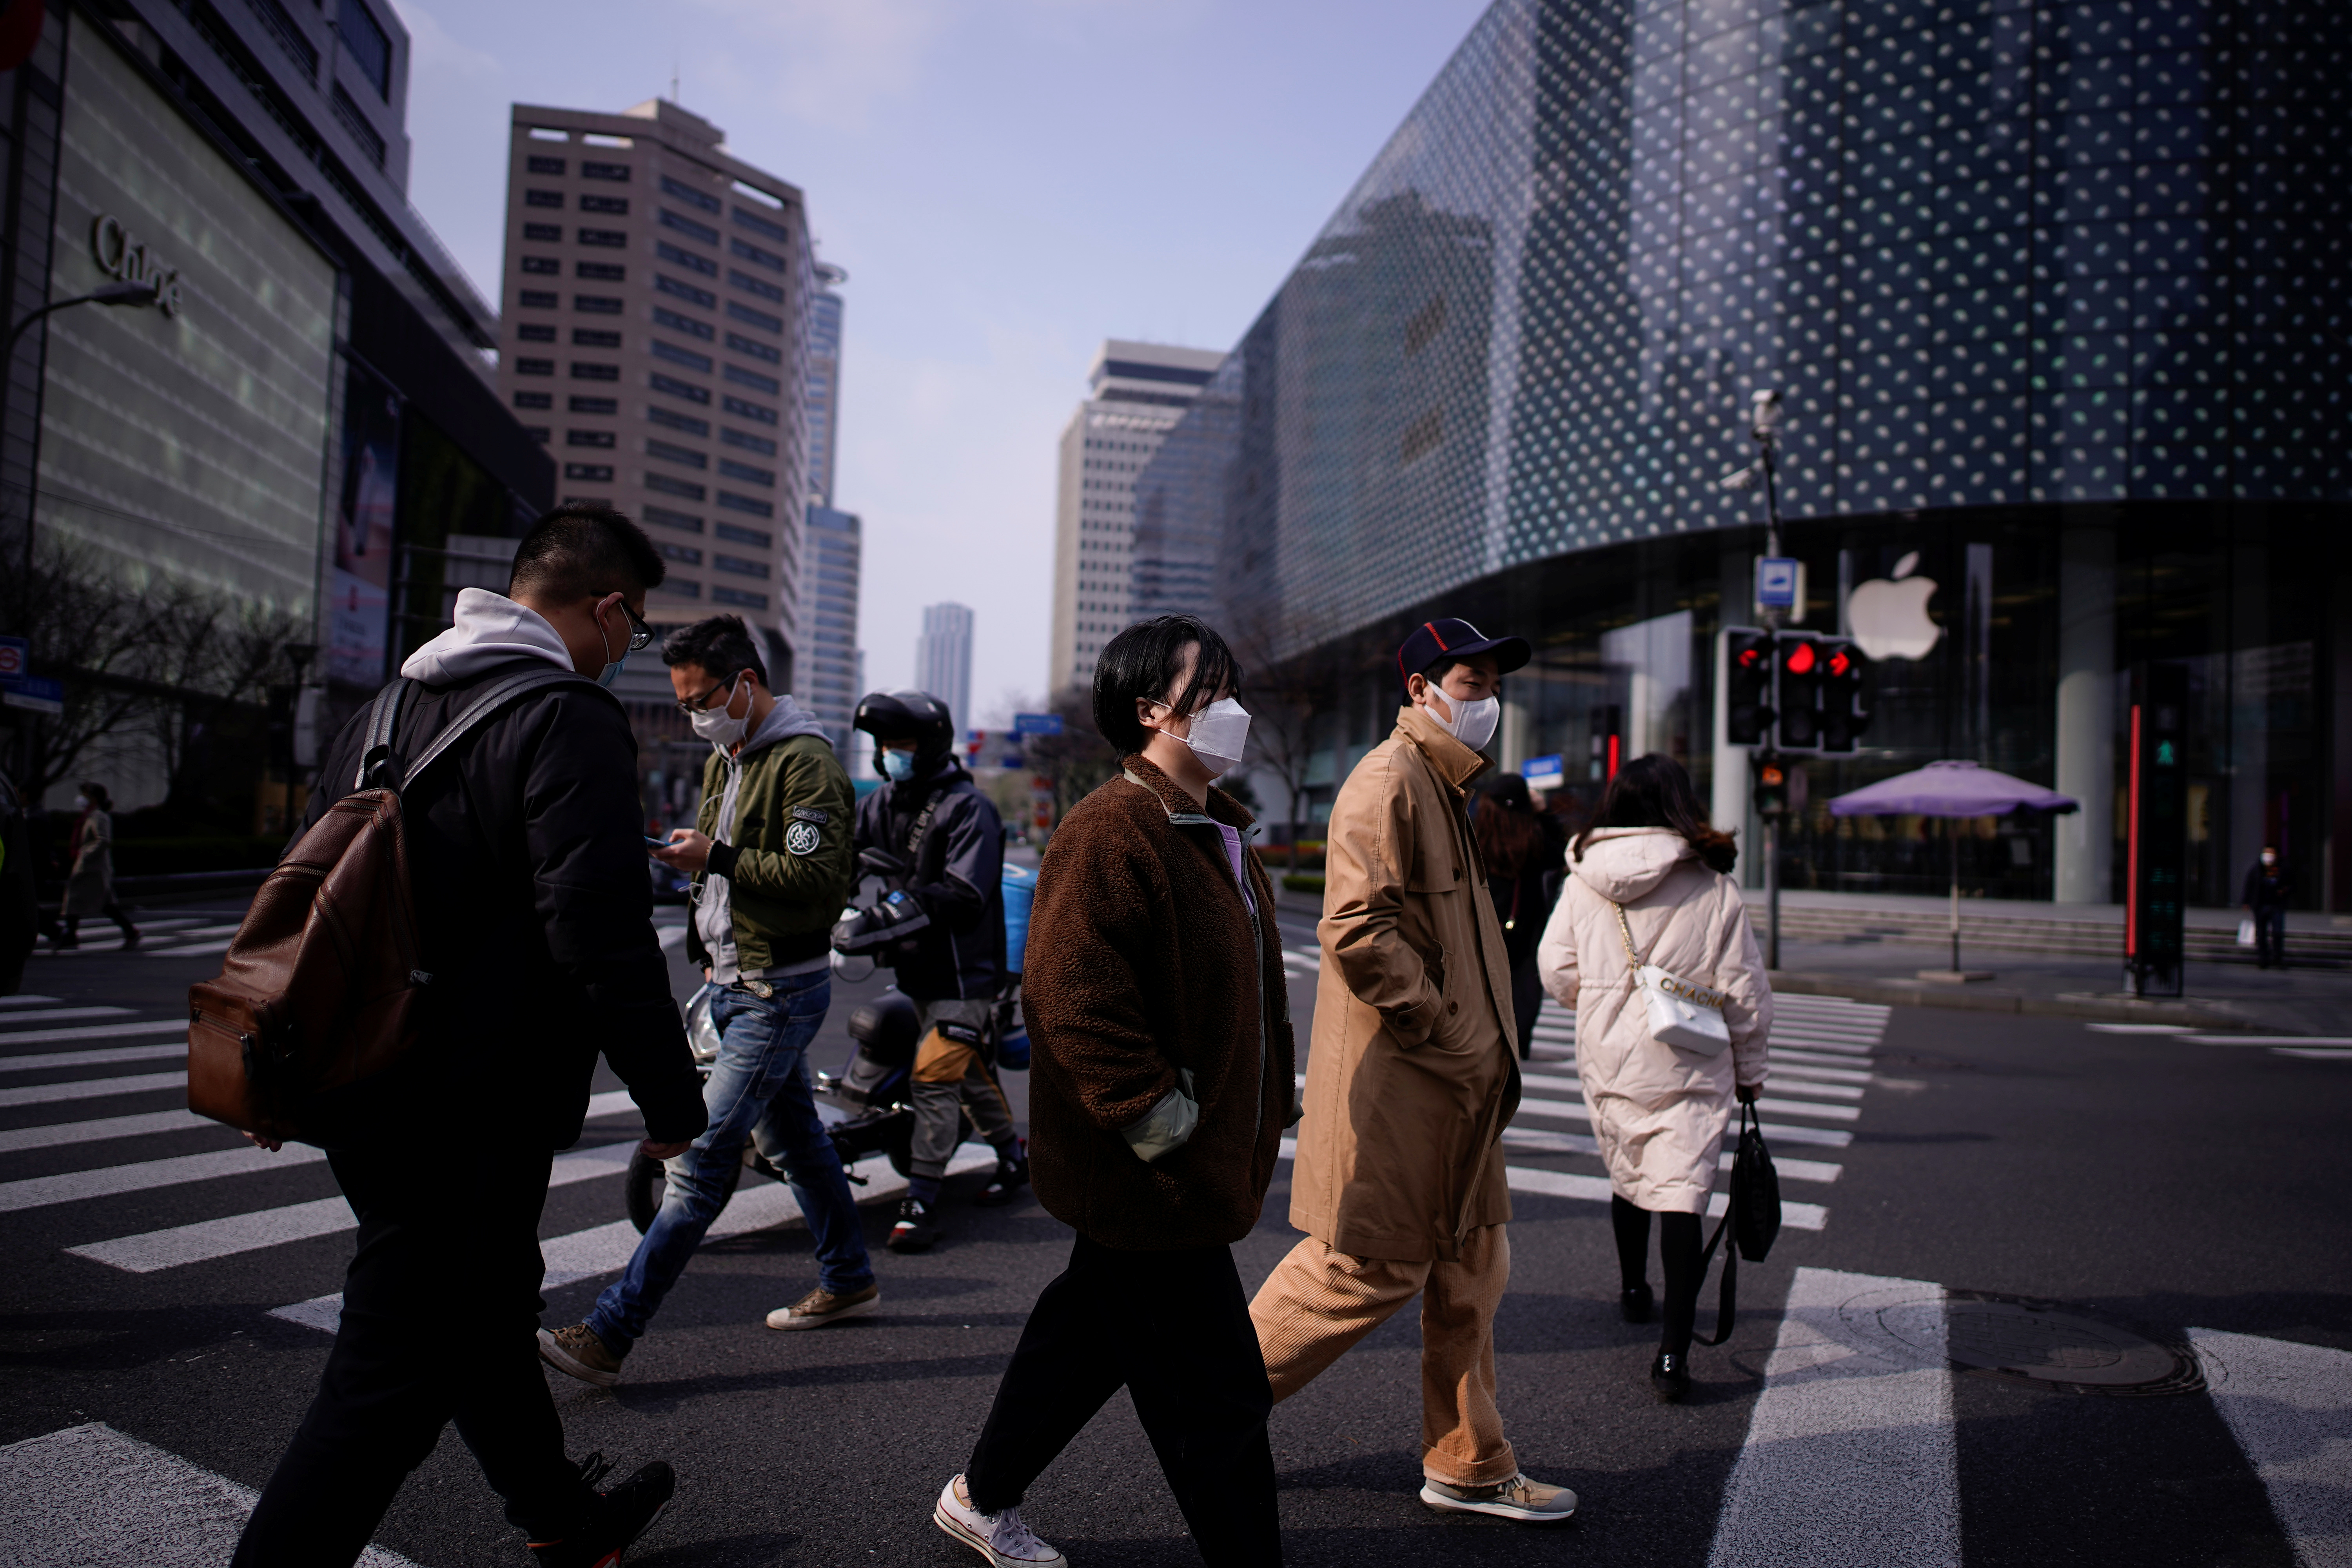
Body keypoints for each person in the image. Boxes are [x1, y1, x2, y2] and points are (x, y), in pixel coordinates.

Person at [233, 505, 708, 1568]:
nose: (627, 648)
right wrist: (674, 1109)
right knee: (388, 1381)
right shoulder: (566, 715)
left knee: (484, 1312)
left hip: (365, 1087)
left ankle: (563, 1518)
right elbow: (598, 930)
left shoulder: (386, 707)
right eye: (631, 628)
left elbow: (318, 894)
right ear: (606, 607)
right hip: (469, 1106)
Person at [935, 615, 1293, 1568]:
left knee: (1083, 1339)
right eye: (1209, 693)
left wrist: (1272, 1097)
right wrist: (1163, 1124)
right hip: (1148, 1174)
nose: (1232, 712)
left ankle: (981, 1496)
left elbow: (1253, 988)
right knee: (1217, 1398)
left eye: (1229, 690)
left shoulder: (1217, 830)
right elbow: (1073, 999)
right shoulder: (1109, 831)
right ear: (1151, 710)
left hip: (1172, 1165)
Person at [1250, 617, 1577, 1525]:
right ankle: (1203, 1408)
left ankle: (1469, 1461)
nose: (1486, 698)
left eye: (1488, 682)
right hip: (1410, 1085)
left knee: (1474, 1265)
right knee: (1361, 1269)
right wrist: (1451, 1033)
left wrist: (1476, 1054)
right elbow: (1356, 929)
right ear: (1420, 691)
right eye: (1469, 682)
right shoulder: (1389, 780)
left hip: (1461, 1091)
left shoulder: (1444, 786)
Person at [537, 616, 874, 1393]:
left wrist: (715, 854)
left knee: (697, 1167)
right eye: (684, 700)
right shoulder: (731, 755)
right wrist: (692, 857)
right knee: (798, 1145)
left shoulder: (806, 764)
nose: (695, 714)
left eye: (704, 697)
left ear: (747, 682)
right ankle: (850, 1274)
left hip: (776, 991)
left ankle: (611, 1331)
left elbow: (819, 878)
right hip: (732, 983)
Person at [1534, 753, 1771, 1403]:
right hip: (1691, 1055)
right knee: (1681, 1189)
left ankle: (1634, 1288)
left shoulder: (1585, 877)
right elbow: (1744, 990)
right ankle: (1673, 1350)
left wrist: (1602, 999)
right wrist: (1751, 1070)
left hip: (1610, 1053)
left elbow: (1555, 967)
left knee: (1627, 1169)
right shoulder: (1713, 885)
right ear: (1678, 804)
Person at [846, 690, 1025, 1253]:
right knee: (966, 1073)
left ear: (932, 745)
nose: (890, 753)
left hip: (966, 975)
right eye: (883, 744)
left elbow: (964, 893)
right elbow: (845, 862)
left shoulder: (969, 808)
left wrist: (879, 918)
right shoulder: (879, 804)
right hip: (916, 973)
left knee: (935, 1077)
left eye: (901, 743)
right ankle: (1014, 1156)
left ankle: (921, 1198)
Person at [1475, 773, 1565, 1059]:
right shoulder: (1534, 839)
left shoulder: (1477, 836)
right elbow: (1561, 853)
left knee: (1483, 982)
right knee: (1524, 984)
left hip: (1481, 922)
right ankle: (1518, 1041)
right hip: (1526, 924)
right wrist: (1544, 812)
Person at [55, 781, 137, 950]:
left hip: (92, 868)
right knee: (101, 903)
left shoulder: (99, 816)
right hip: (91, 867)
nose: (82, 799)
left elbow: (104, 839)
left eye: (87, 795)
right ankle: (130, 931)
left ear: (95, 798)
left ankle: (71, 935)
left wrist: (86, 856)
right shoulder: (90, 815)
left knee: (75, 899)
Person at [2242, 846, 2290, 969]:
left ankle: (2277, 958)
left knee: (2277, 933)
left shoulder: (2282, 869)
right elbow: (2250, 885)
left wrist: (2285, 891)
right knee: (2262, 934)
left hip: (2276, 905)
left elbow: (2291, 884)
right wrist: (2246, 901)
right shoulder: (2257, 869)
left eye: (2271, 853)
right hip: (2260, 905)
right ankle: (2263, 959)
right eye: (2266, 853)